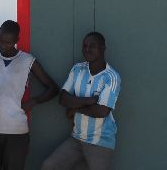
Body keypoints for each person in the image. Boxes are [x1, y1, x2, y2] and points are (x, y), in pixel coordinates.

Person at [0, 19, 58, 170]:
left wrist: (33, 102)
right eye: (1, 41)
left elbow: (53, 88)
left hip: (17, 131)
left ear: (16, 40)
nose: (3, 45)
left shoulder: (27, 61)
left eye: (8, 42)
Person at [40, 32, 122, 170]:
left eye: (92, 46)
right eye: (84, 46)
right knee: (49, 166)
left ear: (103, 48)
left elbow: (102, 111)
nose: (87, 49)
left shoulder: (111, 77)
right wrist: (89, 101)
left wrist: (75, 109)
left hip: (100, 142)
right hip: (77, 138)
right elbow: (63, 98)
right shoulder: (77, 69)